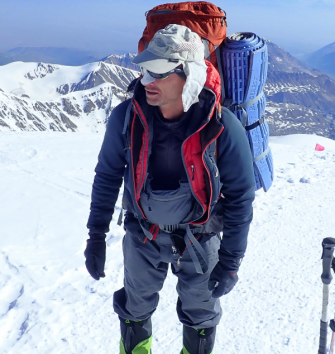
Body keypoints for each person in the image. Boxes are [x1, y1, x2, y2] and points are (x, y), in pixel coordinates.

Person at [84, 24, 255, 354]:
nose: (148, 81)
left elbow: (240, 197)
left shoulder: (221, 125)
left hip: (199, 237)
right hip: (143, 234)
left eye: (160, 73)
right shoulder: (126, 118)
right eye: (146, 71)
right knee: (134, 310)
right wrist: (96, 235)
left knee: (201, 317)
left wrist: (231, 261)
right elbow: (107, 176)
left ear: (188, 74)